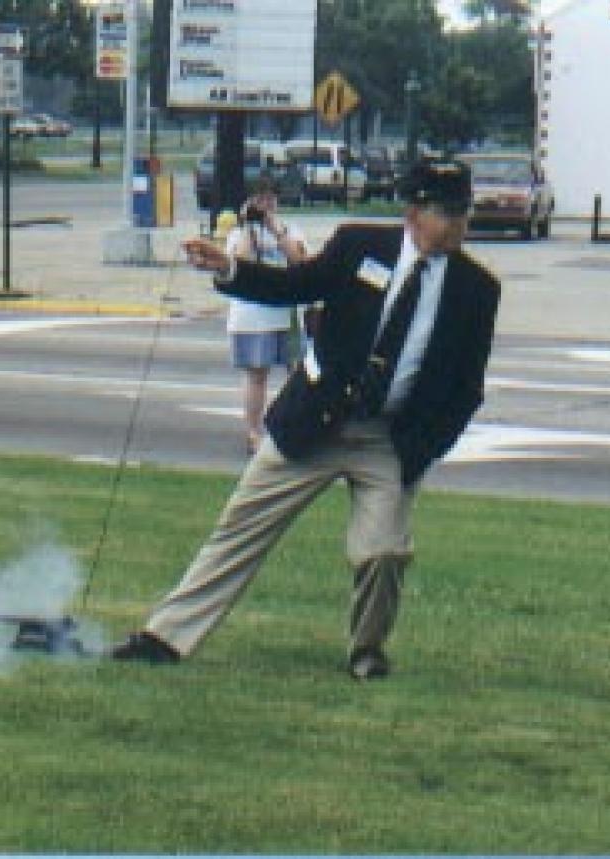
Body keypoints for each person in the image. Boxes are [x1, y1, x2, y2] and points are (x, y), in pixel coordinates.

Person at [111, 156, 501, 680]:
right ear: (414, 213)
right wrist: (228, 269)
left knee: (384, 553)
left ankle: (367, 654)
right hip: (313, 424)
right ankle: (164, 638)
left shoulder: (476, 289)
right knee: (239, 529)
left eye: (463, 213)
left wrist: (425, 448)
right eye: (446, 213)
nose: (457, 225)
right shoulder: (360, 246)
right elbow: (295, 286)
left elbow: (467, 386)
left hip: (387, 440)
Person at [224, 175, 309, 453]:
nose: (265, 203)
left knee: (296, 374)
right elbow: (242, 263)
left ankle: (292, 426)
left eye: (270, 197)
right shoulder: (237, 234)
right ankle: (253, 432)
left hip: (286, 315)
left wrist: (275, 228)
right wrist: (249, 226)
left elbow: (300, 261)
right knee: (256, 376)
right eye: (259, 198)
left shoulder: (290, 230)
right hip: (252, 316)